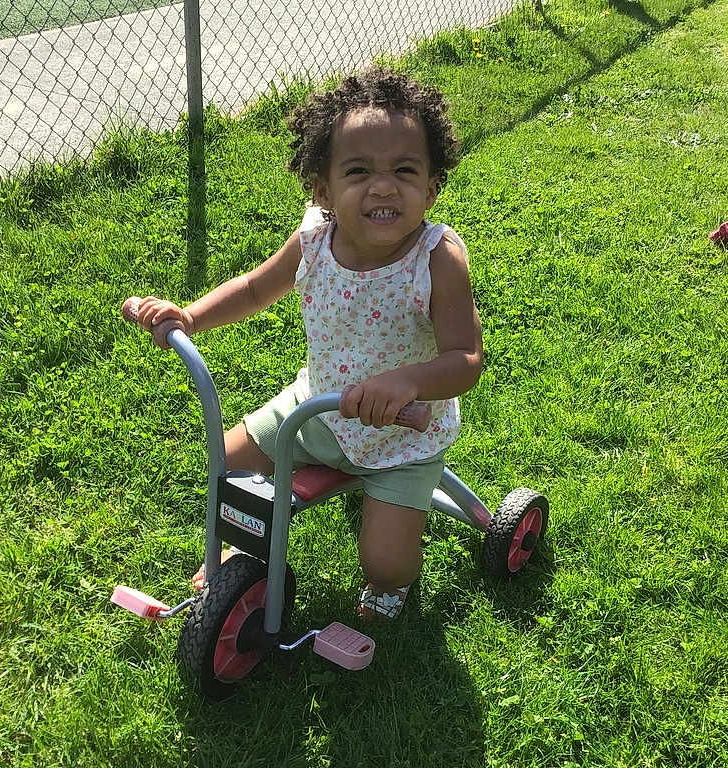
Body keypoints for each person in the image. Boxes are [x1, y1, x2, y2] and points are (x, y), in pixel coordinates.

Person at [132, 67, 483, 620]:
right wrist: (190, 316)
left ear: (432, 185)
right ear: (323, 187)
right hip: (316, 410)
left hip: (402, 436)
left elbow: (465, 360)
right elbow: (252, 289)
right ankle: (242, 546)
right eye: (359, 170)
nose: (384, 185)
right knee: (226, 462)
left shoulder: (436, 259)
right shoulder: (315, 241)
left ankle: (389, 583)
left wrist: (407, 381)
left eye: (405, 170)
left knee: (387, 566)